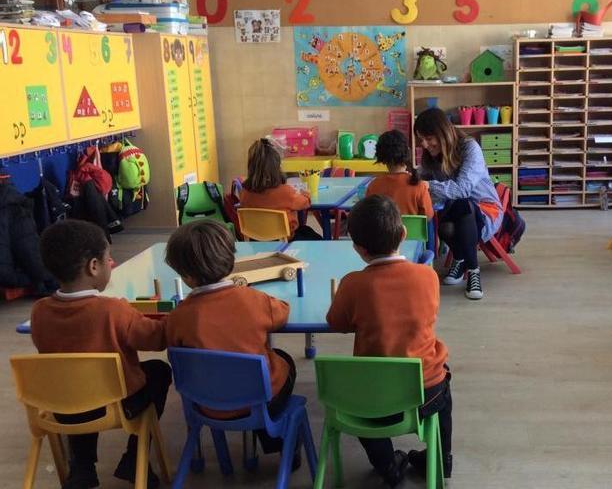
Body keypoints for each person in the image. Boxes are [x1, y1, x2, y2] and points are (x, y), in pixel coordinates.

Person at [30, 219, 170, 489]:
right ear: (93, 266)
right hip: (115, 405)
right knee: (159, 371)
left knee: (78, 383)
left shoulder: (39, 311)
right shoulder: (113, 310)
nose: (112, 263)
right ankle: (134, 459)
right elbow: (157, 339)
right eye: (109, 258)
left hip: (62, 406)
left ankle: (82, 468)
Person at [326, 195, 452, 487]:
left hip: (373, 395)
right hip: (424, 391)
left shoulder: (352, 284)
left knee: (357, 403)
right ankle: (442, 458)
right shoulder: (428, 277)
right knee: (444, 386)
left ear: (358, 249)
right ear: (403, 233)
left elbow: (336, 323)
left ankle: (388, 466)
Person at [164, 220, 301, 459]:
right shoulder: (254, 301)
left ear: (185, 277)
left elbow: (170, 338)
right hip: (259, 400)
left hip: (207, 403)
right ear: (231, 261)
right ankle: (275, 440)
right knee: (285, 361)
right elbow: (283, 312)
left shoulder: (178, 317)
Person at [415, 108, 501, 300]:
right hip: (454, 212)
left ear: (443, 132)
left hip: (485, 210)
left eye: (429, 138)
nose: (425, 144)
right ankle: (460, 257)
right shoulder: (431, 156)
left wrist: (427, 185)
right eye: (421, 139)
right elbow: (420, 175)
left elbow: (462, 190)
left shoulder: (470, 148)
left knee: (463, 204)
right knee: (444, 227)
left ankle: (473, 271)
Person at [239, 137, 322, 240]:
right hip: (285, 240)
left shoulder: (244, 194)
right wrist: (306, 194)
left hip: (255, 240)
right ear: (277, 168)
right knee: (310, 233)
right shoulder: (286, 192)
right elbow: (305, 203)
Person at [366, 130, 434, 220]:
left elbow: (369, 214)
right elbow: (428, 216)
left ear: (381, 157)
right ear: (408, 152)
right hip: (412, 234)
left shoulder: (374, 185)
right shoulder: (419, 185)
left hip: (383, 234)